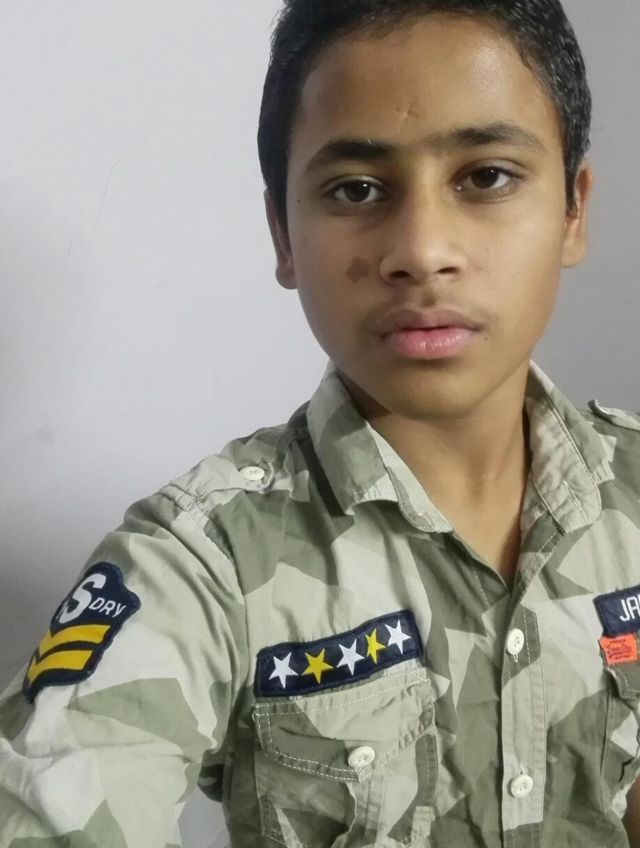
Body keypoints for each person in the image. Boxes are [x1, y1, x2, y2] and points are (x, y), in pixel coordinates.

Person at [2, 0, 640, 845]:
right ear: (284, 234)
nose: (422, 250)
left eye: (486, 176)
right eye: (356, 189)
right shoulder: (202, 562)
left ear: (573, 211)